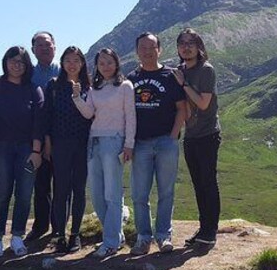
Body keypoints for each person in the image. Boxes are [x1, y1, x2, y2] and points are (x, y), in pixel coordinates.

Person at [0, 46, 45, 259]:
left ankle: (17, 236)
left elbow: (39, 123)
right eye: (12, 60)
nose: (16, 65)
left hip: (27, 148)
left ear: (27, 66)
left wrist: (37, 151)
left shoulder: (34, 89)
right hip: (1, 147)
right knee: (2, 193)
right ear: (5, 62)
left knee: (24, 195)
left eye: (21, 62)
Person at [73, 48, 136, 258]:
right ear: (97, 66)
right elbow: (89, 113)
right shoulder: (94, 88)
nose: (106, 66)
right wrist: (77, 98)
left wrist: (129, 144)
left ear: (116, 63)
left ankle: (109, 242)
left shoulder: (125, 86)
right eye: (101, 63)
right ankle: (115, 236)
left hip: (115, 141)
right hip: (95, 142)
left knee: (112, 193)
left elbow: (131, 117)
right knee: (97, 195)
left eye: (109, 62)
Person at [127, 32, 187, 255]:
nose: (147, 51)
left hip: (165, 142)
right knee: (140, 194)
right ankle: (143, 238)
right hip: (140, 143)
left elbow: (182, 108)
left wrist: (172, 135)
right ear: (137, 51)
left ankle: (164, 236)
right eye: (142, 47)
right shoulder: (131, 79)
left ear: (159, 50)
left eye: (151, 47)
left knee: (166, 192)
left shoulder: (170, 76)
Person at [172, 29, 221, 248]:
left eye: (191, 43)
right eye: (182, 43)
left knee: (208, 182)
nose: (186, 47)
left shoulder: (206, 70)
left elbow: (203, 103)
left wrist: (184, 84)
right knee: (198, 184)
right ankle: (203, 229)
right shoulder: (181, 70)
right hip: (190, 136)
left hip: (208, 134)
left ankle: (210, 231)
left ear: (199, 46)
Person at [43, 46, 93, 254]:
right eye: (68, 60)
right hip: (60, 144)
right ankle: (60, 235)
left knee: (78, 190)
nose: (72, 64)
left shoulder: (89, 87)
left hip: (82, 144)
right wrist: (47, 144)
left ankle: (75, 235)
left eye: (76, 60)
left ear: (82, 63)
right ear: (62, 63)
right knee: (60, 190)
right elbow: (46, 116)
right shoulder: (54, 85)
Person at [27, 31, 61, 242]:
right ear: (33, 50)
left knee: (62, 184)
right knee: (40, 184)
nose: (44, 48)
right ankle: (40, 226)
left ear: (55, 46)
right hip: (37, 137)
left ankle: (58, 227)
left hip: (64, 136)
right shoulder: (28, 74)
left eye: (48, 45)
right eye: (39, 46)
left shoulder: (65, 68)